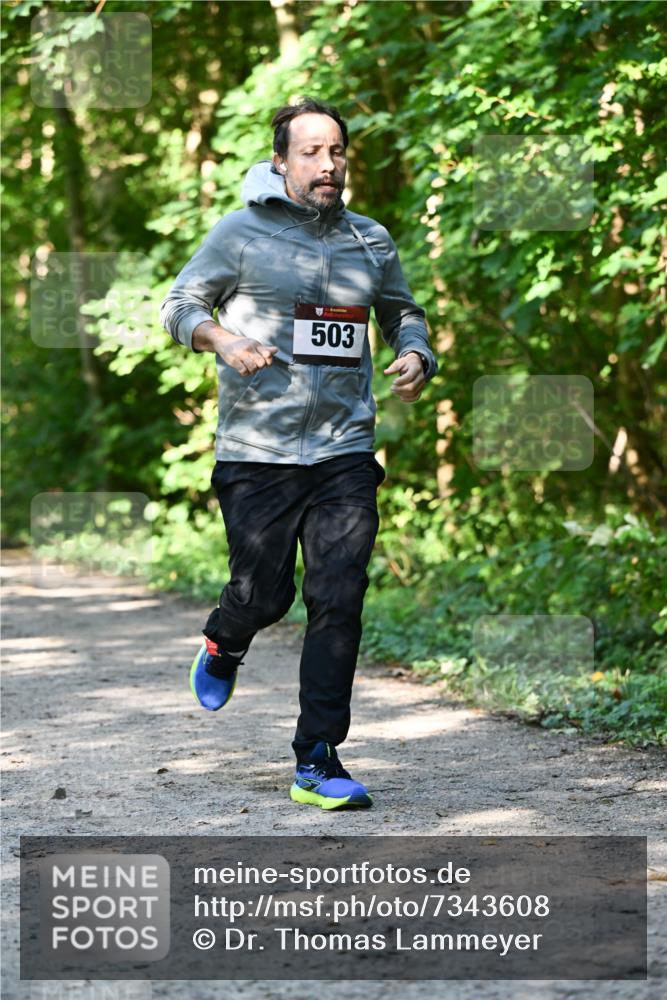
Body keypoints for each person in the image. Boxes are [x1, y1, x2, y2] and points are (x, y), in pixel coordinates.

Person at [160, 97, 437, 811]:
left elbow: (401, 309)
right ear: (280, 161)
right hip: (257, 448)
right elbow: (181, 305)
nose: (327, 165)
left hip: (345, 447)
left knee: (338, 595)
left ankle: (316, 757)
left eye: (336, 151)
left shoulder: (369, 241)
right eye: (311, 152)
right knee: (265, 594)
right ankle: (226, 638)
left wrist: (414, 351)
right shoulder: (240, 234)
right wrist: (223, 341)